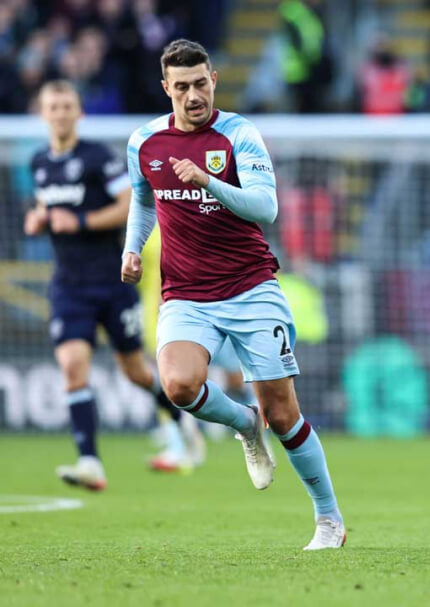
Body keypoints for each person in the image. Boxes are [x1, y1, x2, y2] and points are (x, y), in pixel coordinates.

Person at [120, 39, 344, 550]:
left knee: (283, 414)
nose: (193, 95)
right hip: (185, 294)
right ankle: (244, 423)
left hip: (250, 287)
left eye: (201, 84)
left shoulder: (239, 134)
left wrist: (207, 180)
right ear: (166, 88)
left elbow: (266, 208)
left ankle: (329, 518)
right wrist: (133, 248)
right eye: (182, 87)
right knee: (178, 386)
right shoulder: (144, 142)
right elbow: (143, 199)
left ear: (214, 80)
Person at [24, 79, 202, 491]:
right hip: (68, 286)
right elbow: (47, 205)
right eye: (53, 107)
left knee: (135, 371)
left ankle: (181, 423)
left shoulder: (98, 158)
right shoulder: (39, 162)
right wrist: (38, 218)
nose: (60, 114)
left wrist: (80, 221)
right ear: (43, 114)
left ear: (79, 112)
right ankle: (90, 461)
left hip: (111, 281)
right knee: (73, 367)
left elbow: (129, 205)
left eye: (67, 106)